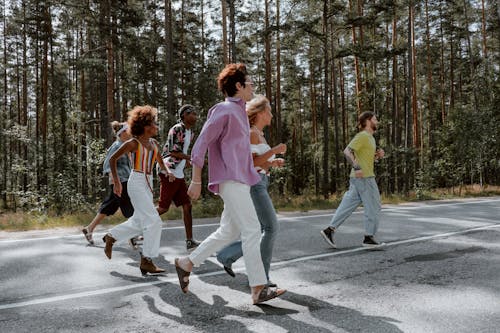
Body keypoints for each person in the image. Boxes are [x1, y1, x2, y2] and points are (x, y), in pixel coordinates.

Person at [173, 63, 286, 305]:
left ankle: (186, 263)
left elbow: (240, 152)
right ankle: (258, 287)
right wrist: (195, 179)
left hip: (242, 178)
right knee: (253, 228)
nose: (252, 87)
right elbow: (201, 143)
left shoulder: (241, 114)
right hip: (229, 179)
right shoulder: (224, 110)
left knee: (229, 231)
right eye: (250, 83)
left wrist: (260, 166)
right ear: (238, 85)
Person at [216, 95, 286, 287]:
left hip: (262, 181)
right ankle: (260, 278)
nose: (271, 114)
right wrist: (274, 151)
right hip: (255, 184)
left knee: (261, 229)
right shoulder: (252, 133)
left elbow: (260, 162)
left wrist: (272, 162)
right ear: (261, 113)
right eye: (269, 111)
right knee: (271, 227)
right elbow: (251, 163)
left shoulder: (260, 134)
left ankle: (226, 255)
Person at [102, 105, 174, 276]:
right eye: (154, 123)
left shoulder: (154, 143)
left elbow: (160, 164)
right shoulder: (133, 143)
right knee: (154, 221)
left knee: (140, 221)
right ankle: (147, 260)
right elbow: (112, 160)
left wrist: (168, 172)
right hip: (136, 181)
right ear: (145, 126)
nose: (157, 126)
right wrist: (118, 183)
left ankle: (111, 236)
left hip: (148, 182)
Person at [320, 111, 385, 248]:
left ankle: (329, 230)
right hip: (364, 178)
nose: (377, 121)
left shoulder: (371, 138)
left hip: (358, 179)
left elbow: (364, 158)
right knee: (374, 205)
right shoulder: (363, 136)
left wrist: (376, 156)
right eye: (375, 119)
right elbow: (347, 151)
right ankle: (368, 238)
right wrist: (357, 167)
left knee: (347, 206)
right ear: (368, 121)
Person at [82, 121, 140, 248]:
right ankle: (132, 236)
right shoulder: (116, 146)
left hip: (125, 180)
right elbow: (107, 164)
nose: (131, 133)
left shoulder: (126, 146)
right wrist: (114, 180)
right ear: (123, 132)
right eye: (129, 130)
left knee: (108, 207)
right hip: (120, 182)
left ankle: (89, 229)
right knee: (130, 208)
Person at [157, 104, 200, 251]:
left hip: (178, 173)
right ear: (184, 116)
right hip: (169, 171)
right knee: (163, 208)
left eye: (195, 113)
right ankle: (135, 229)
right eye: (192, 113)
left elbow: (182, 153)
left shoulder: (190, 132)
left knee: (187, 206)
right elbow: (172, 152)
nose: (195, 115)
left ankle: (189, 240)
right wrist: (191, 158)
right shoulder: (177, 129)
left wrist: (189, 162)